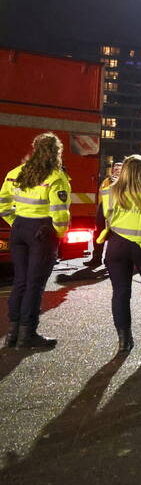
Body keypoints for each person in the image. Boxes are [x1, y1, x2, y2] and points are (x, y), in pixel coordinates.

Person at [0, 133, 70, 349]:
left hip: (20, 228)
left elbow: (2, 204)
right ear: (56, 152)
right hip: (41, 231)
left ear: (34, 149)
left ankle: (13, 333)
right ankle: (27, 334)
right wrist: (58, 233)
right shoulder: (56, 178)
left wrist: (16, 223)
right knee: (35, 284)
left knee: (20, 281)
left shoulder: (15, 173)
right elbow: (59, 213)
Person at [98, 155, 141, 353]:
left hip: (117, 245)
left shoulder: (109, 190)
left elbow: (102, 218)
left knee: (120, 293)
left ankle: (124, 340)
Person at [82, 161, 122, 269]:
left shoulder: (124, 182)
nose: (117, 171)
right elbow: (101, 196)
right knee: (98, 234)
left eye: (119, 169)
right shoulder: (106, 181)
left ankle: (109, 261)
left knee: (114, 237)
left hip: (116, 211)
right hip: (103, 210)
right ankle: (96, 259)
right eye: (115, 169)